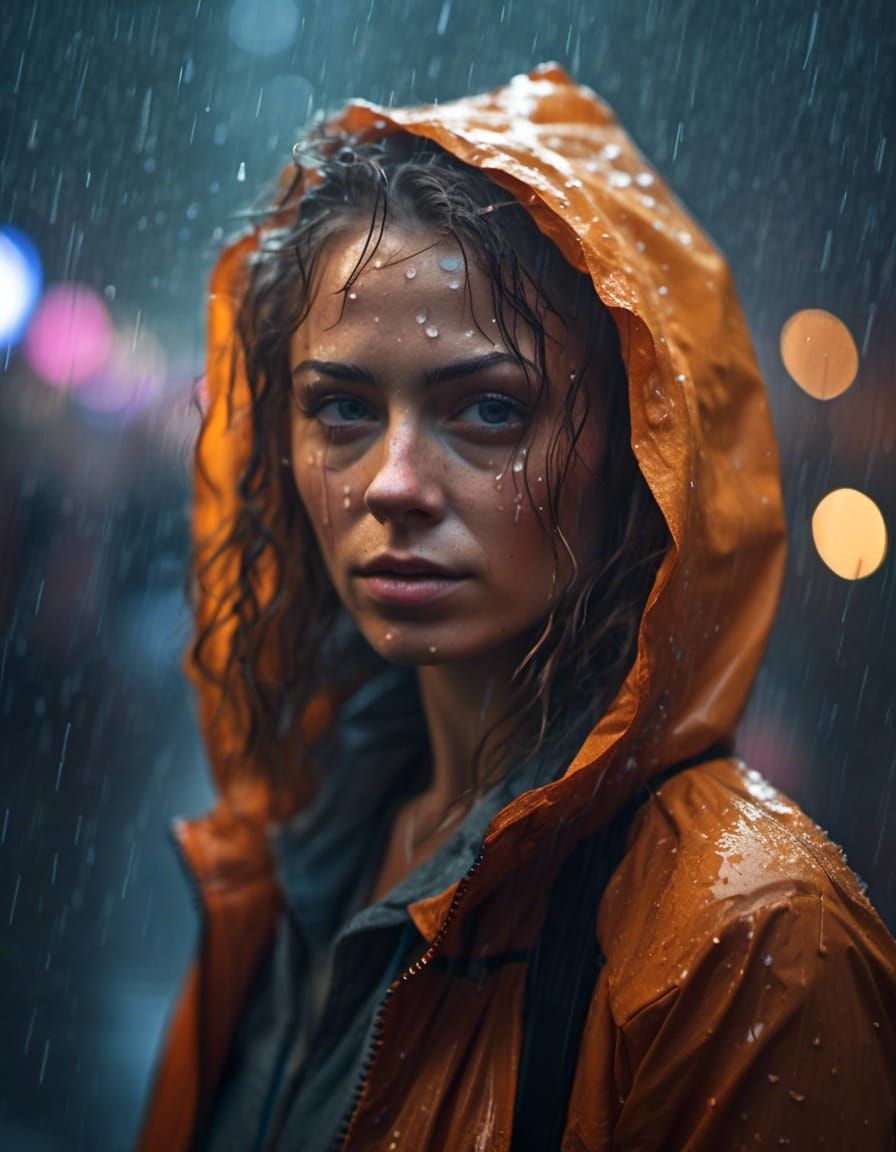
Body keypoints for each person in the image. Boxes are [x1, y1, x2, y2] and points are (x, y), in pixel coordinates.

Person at [137, 65, 896, 1151]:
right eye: (342, 407)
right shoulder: (295, 839)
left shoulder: (749, 938)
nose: (393, 482)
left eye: (488, 409)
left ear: (637, 450)